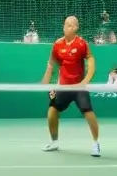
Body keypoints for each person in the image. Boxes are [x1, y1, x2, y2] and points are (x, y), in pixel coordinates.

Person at [41, 16, 100, 157]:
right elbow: (51, 65)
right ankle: (54, 142)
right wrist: (46, 85)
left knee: (88, 113)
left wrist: (85, 81)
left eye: (71, 25)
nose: (68, 27)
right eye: (66, 25)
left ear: (76, 28)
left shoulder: (81, 44)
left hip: (79, 87)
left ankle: (96, 143)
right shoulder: (57, 44)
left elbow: (91, 60)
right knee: (52, 112)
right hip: (64, 87)